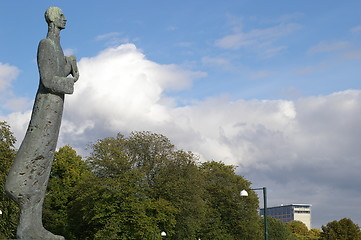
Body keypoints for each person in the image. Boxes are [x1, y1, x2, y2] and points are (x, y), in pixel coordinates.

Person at [5, 7, 79, 239]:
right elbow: (47, 80)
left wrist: (70, 68)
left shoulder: (57, 47)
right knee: (37, 154)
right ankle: (26, 218)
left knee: (44, 161)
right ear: (52, 19)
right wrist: (70, 84)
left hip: (54, 109)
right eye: (61, 16)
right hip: (46, 107)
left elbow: (56, 73)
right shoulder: (45, 44)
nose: (65, 18)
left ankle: (33, 224)